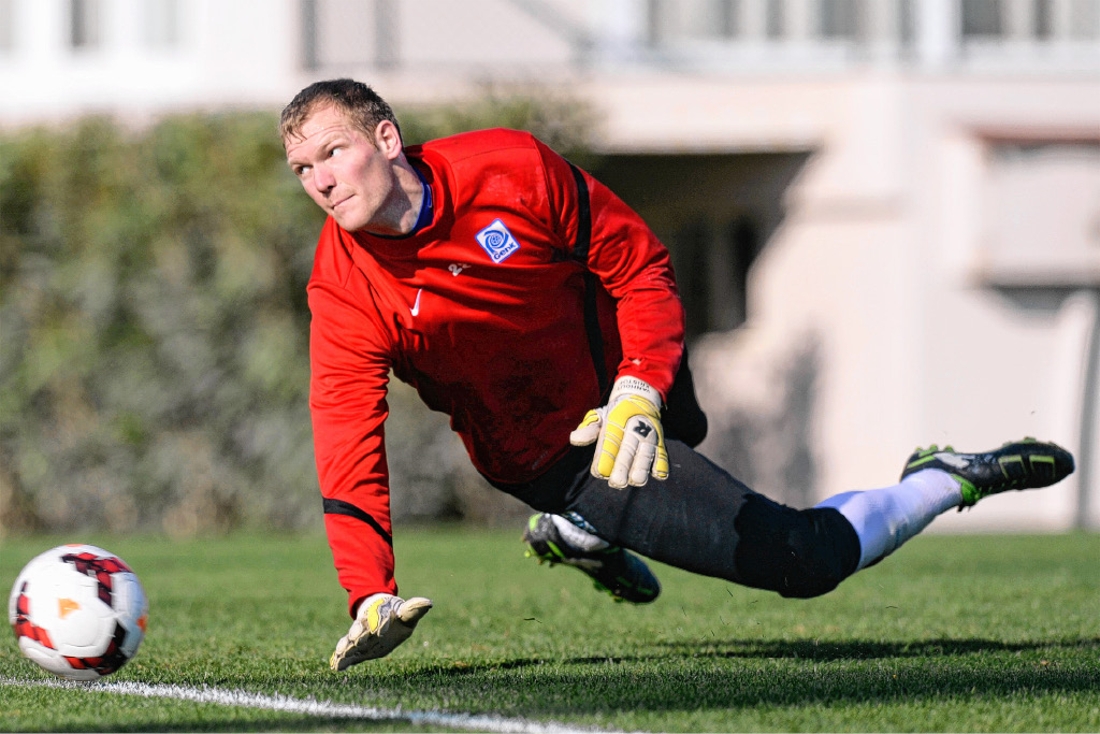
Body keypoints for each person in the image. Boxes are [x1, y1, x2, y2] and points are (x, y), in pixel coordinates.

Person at [280, 79, 1076, 672]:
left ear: (386, 138)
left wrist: (638, 385)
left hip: (633, 367)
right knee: (802, 561)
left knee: (683, 436)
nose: (319, 180)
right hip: (553, 455)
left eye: (332, 152)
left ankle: (585, 535)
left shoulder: (512, 168)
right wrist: (369, 592)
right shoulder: (343, 289)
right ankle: (943, 480)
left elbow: (639, 267)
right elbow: (348, 442)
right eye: (302, 168)